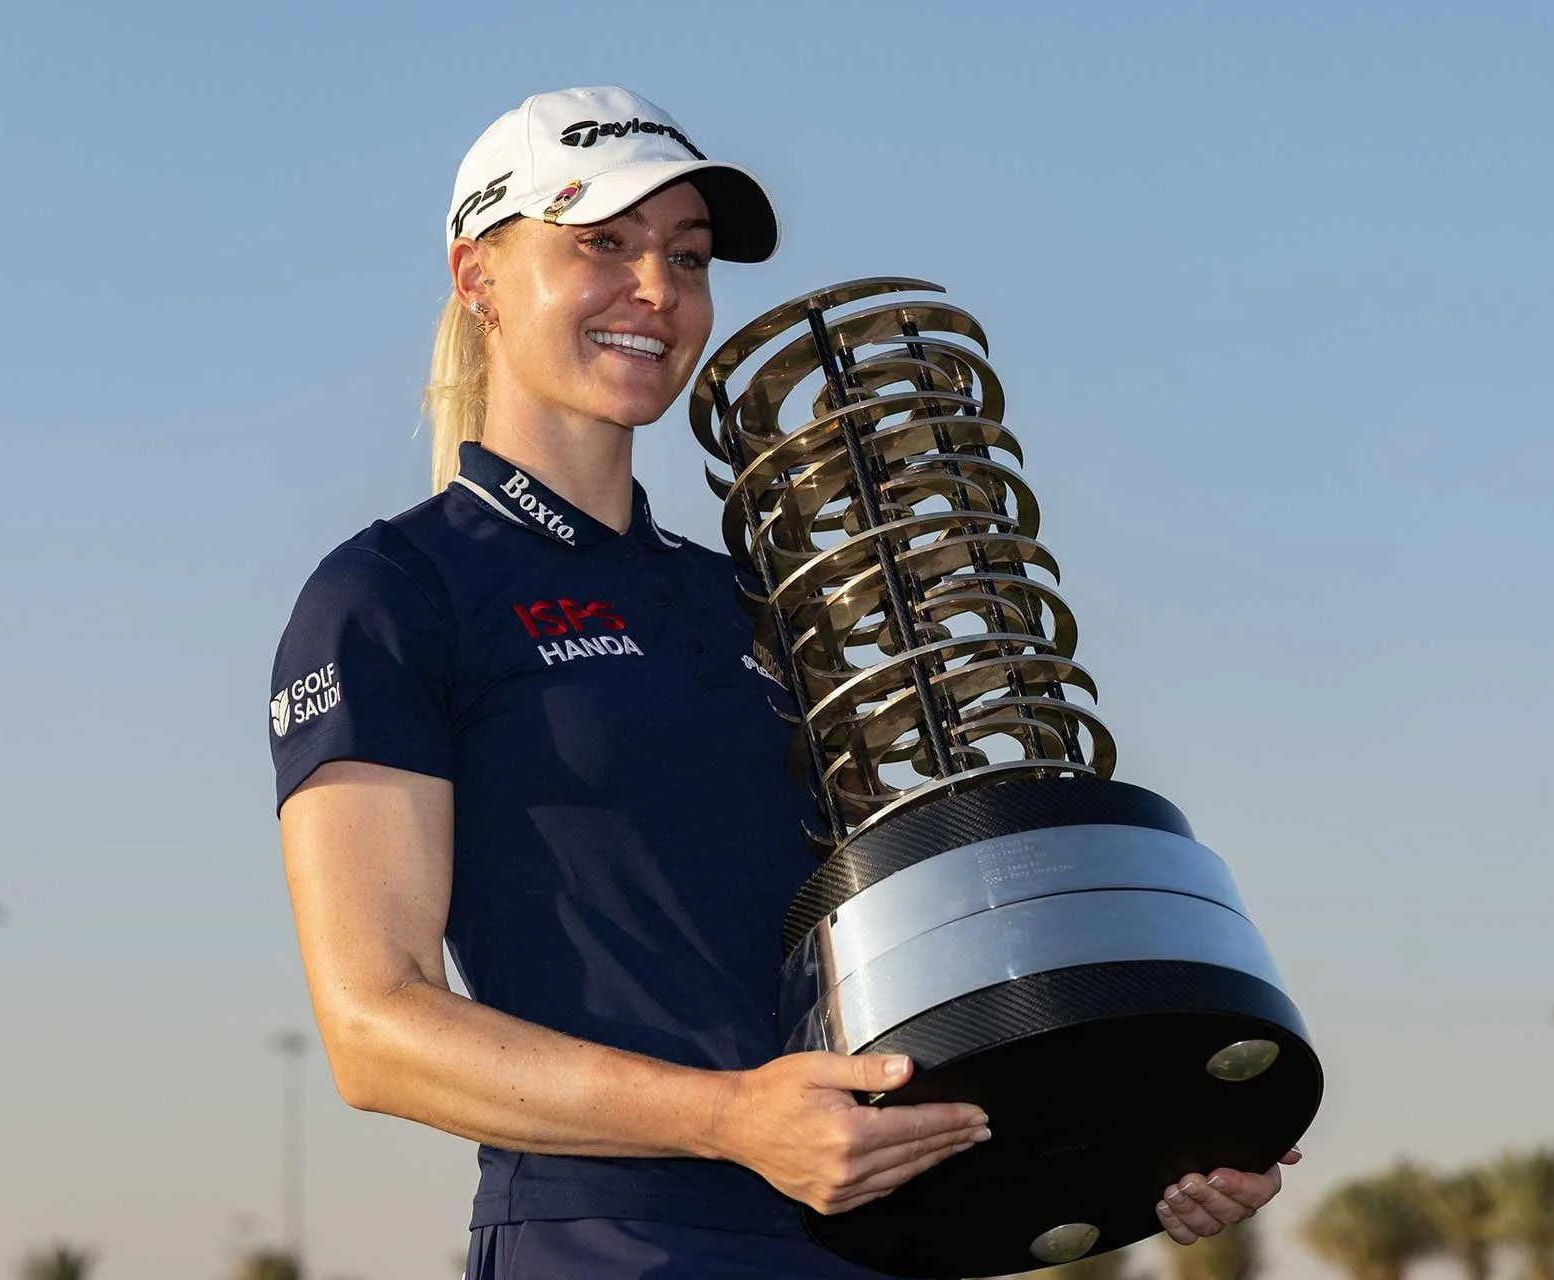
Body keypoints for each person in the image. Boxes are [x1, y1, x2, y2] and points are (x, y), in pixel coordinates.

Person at [267, 85, 1297, 1279]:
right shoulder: (396, 590)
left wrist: (1139, 1127)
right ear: (479, 273)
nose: (657, 289)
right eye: (602, 242)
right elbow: (374, 1030)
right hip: (614, 1246)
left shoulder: (752, 603)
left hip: (870, 1244)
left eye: (687, 256)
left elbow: (892, 995)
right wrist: (730, 1118)